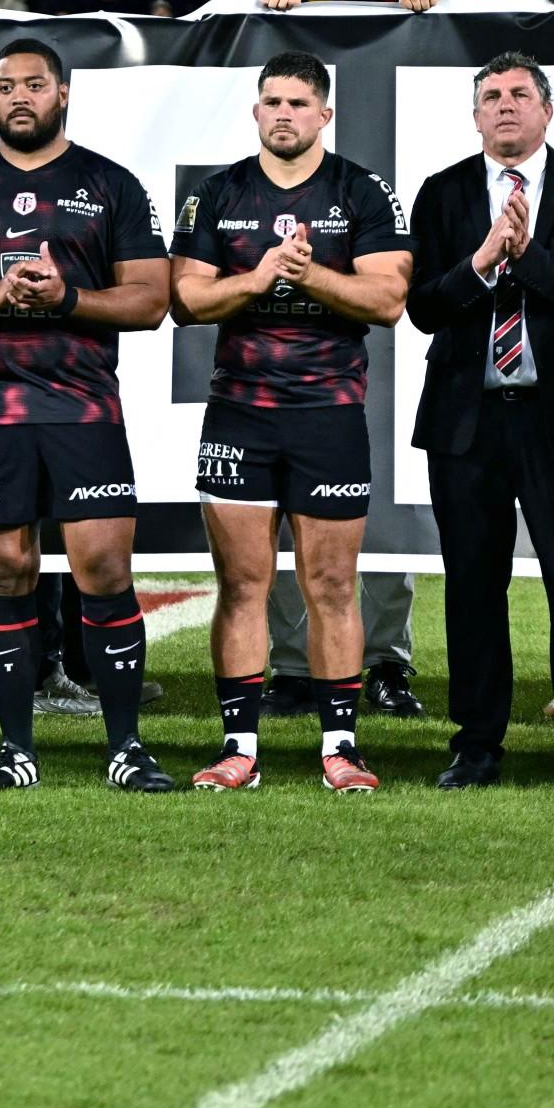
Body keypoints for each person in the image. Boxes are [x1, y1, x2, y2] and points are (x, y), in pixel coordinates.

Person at [0, 36, 175, 794]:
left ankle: (126, 747)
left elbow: (151, 299)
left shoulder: (109, 183)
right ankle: (15, 748)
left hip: (84, 408)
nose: (18, 96)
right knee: (5, 571)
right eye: (4, 85)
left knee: (105, 569)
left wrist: (68, 300)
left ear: (63, 94)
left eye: (34, 84)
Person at [170, 52, 413, 793]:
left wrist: (309, 275)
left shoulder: (362, 191)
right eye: (272, 101)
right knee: (241, 585)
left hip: (328, 414)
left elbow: (389, 297)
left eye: (299, 103)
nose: (284, 113)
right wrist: (259, 274)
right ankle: (239, 746)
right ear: (255, 110)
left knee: (332, 585)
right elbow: (185, 299)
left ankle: (340, 748)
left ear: (324, 114)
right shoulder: (216, 193)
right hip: (239, 413)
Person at [405, 53, 554, 792]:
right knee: (472, 583)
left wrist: (524, 256)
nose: (506, 106)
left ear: (547, 109)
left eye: (520, 94)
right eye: (492, 97)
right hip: (466, 422)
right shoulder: (441, 192)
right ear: (475, 116)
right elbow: (423, 308)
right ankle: (476, 742)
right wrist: (479, 262)